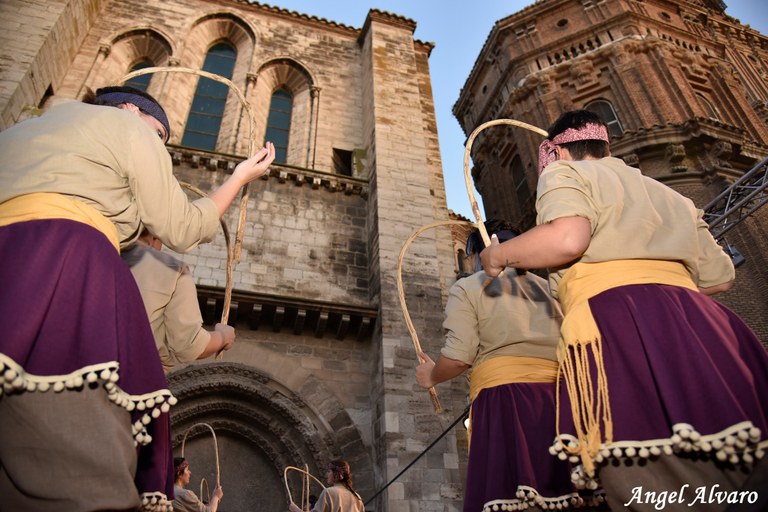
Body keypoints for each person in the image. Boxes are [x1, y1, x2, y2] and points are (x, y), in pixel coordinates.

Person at [0, 85, 275, 511]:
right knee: (80, 466)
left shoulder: (20, 129)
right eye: (160, 134)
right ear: (130, 108)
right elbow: (183, 227)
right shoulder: (126, 126)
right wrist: (239, 177)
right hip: (70, 262)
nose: (159, 144)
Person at [479, 110, 768, 511]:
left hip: (619, 325)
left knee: (649, 481)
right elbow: (720, 278)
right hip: (702, 325)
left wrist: (500, 254)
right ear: (605, 146)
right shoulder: (671, 194)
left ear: (557, 152)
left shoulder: (564, 174)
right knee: (739, 470)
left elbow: (567, 239)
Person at [415, 221, 602, 511]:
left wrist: (431, 376)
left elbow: (457, 358)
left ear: (477, 254)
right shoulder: (553, 289)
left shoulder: (468, 286)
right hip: (568, 404)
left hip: (507, 401)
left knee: (518, 501)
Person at [122, 229, 236, 373]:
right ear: (156, 237)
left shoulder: (95, 253)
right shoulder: (172, 269)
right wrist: (223, 336)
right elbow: (189, 346)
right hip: (138, 377)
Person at [289, 460, 364, 512]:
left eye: (328, 472)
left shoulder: (329, 492)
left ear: (337, 474)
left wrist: (296, 509)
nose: (326, 475)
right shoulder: (357, 496)